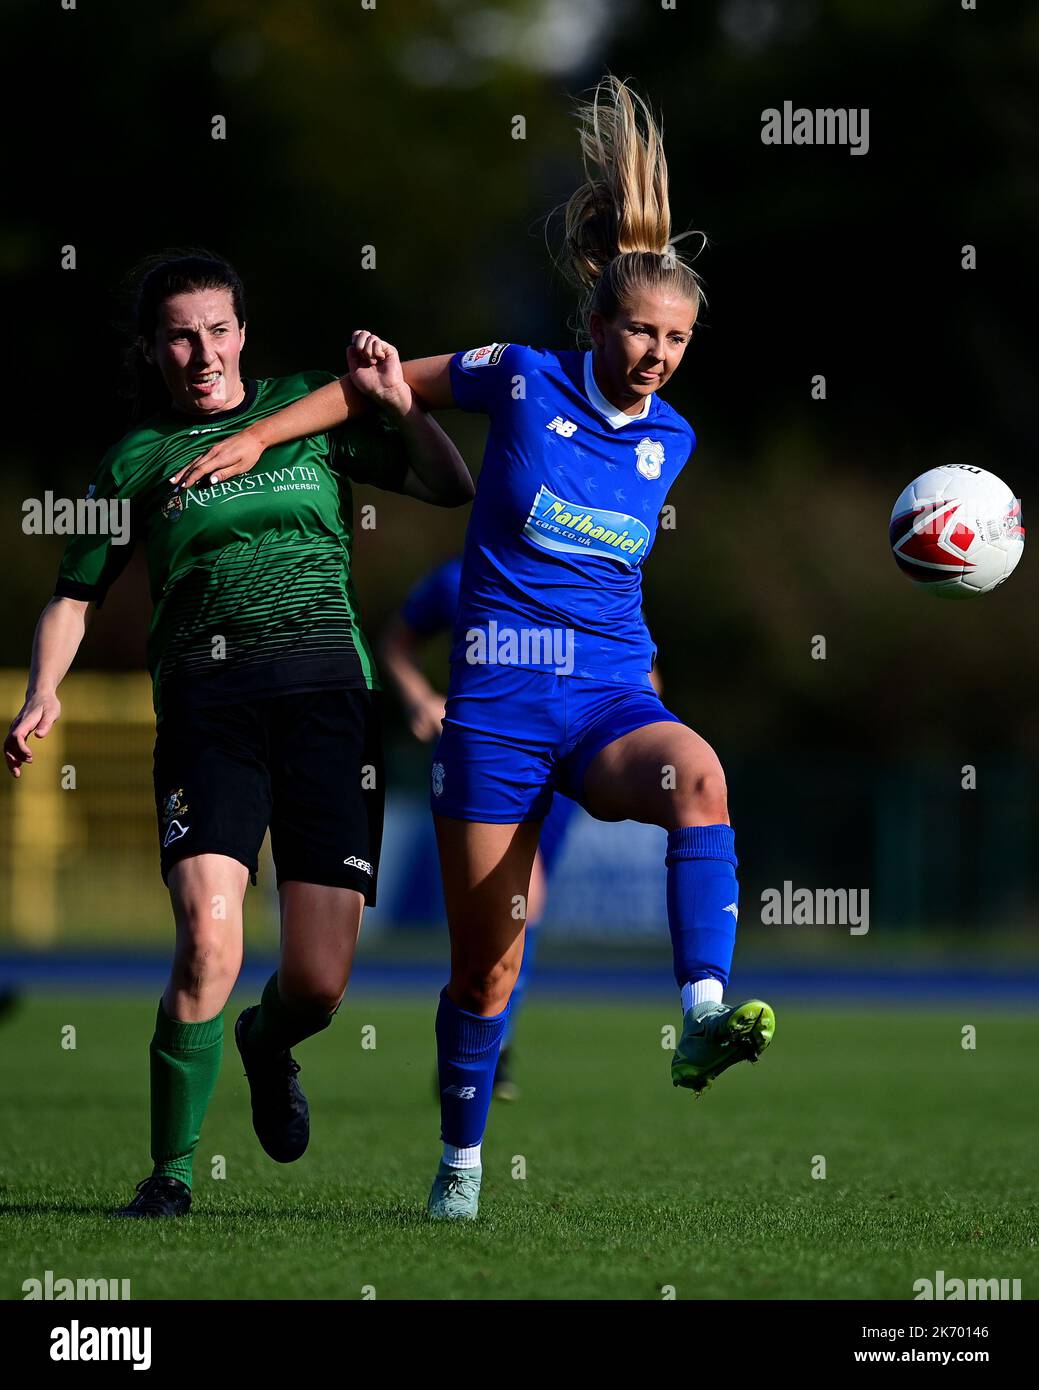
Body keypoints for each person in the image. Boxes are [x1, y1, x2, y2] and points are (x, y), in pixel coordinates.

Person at [169, 76, 778, 1225]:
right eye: (642, 330)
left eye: (678, 339)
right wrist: (259, 433)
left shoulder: (676, 439)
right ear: (596, 324)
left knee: (702, 777)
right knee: (487, 968)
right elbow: (373, 390)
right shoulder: (522, 377)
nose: (657, 354)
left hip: (606, 702)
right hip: (491, 715)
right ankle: (459, 1164)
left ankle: (700, 1012)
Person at [3, 250, 472, 1218]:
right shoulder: (134, 459)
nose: (202, 350)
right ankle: (169, 1175)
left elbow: (449, 480)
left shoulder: (311, 408)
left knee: (318, 981)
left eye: (218, 328)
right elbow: (73, 593)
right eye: (180, 333)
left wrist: (399, 401)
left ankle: (268, 1043)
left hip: (327, 708)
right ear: (153, 347)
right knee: (206, 939)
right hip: (208, 714)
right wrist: (42, 689)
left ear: (244, 333)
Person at [379, 555, 580, 1101]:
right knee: (521, 898)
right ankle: (491, 1045)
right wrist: (421, 699)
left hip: (566, 761)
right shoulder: (457, 578)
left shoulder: (585, 566)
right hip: (492, 758)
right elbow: (397, 642)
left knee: (516, 913)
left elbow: (640, 660)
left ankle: (480, 1040)